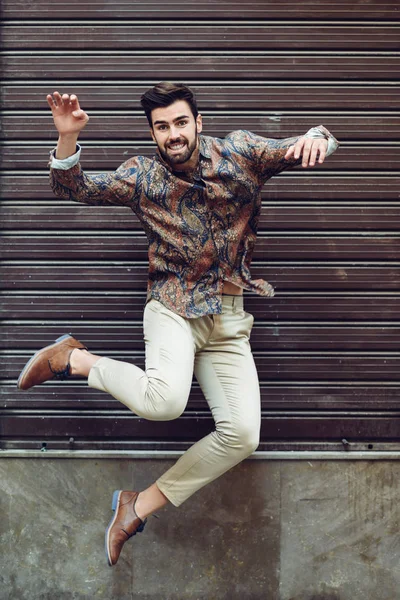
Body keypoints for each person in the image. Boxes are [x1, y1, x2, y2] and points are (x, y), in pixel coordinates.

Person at [17, 82, 339, 567]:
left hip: (228, 321)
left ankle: (136, 506)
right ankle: (75, 359)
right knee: (164, 402)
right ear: (153, 133)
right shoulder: (142, 176)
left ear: (198, 122)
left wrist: (319, 136)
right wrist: (66, 140)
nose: (173, 135)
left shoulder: (242, 151)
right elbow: (73, 188)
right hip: (172, 307)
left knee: (243, 434)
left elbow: (305, 144)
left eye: (180, 123)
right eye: (162, 127)